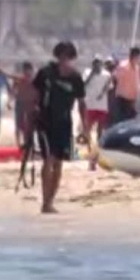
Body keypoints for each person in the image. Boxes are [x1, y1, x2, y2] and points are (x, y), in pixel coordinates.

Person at [32, 41, 87, 214]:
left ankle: (50, 201)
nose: (65, 60)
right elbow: (34, 94)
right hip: (45, 121)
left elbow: (81, 102)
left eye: (69, 56)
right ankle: (45, 202)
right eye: (62, 55)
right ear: (58, 56)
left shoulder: (75, 77)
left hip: (64, 123)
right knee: (48, 159)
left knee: (59, 164)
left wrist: (84, 126)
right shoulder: (45, 73)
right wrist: (30, 115)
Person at [83, 55, 111, 170]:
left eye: (98, 63)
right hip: (90, 105)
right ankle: (90, 151)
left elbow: (108, 86)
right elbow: (83, 84)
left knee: (100, 131)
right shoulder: (87, 72)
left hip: (102, 106)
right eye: (94, 63)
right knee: (88, 130)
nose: (96, 65)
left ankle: (97, 154)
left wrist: (102, 93)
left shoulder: (106, 74)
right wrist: (91, 75)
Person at [112, 47, 140, 124]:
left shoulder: (137, 68)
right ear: (134, 56)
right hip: (122, 99)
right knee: (122, 121)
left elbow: (136, 82)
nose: (139, 59)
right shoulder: (123, 66)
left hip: (132, 100)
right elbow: (115, 78)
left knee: (131, 121)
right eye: (138, 57)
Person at [10, 61, 35, 147]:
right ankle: (18, 143)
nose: (27, 73)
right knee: (18, 124)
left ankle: (27, 142)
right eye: (25, 71)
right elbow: (13, 91)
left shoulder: (34, 81)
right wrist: (9, 101)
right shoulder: (19, 80)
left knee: (28, 125)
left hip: (29, 104)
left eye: (28, 71)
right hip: (20, 103)